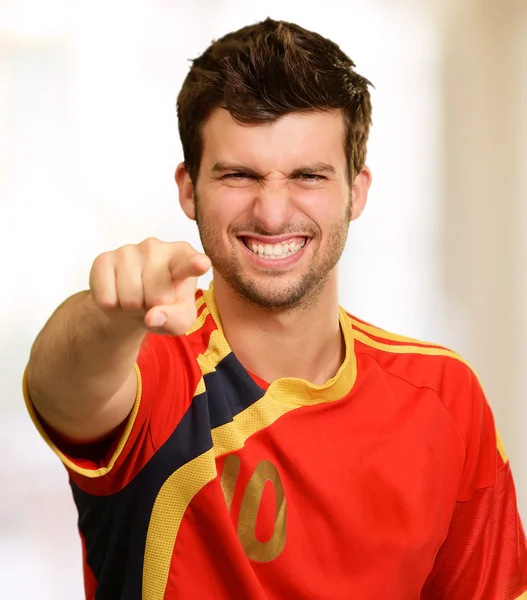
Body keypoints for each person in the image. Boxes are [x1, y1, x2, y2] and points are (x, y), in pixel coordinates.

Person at [24, 17, 527, 600]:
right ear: (188, 189)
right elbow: (61, 385)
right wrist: (108, 314)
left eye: (308, 176)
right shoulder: (154, 370)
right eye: (239, 175)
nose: (271, 212)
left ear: (356, 191)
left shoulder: (445, 395)